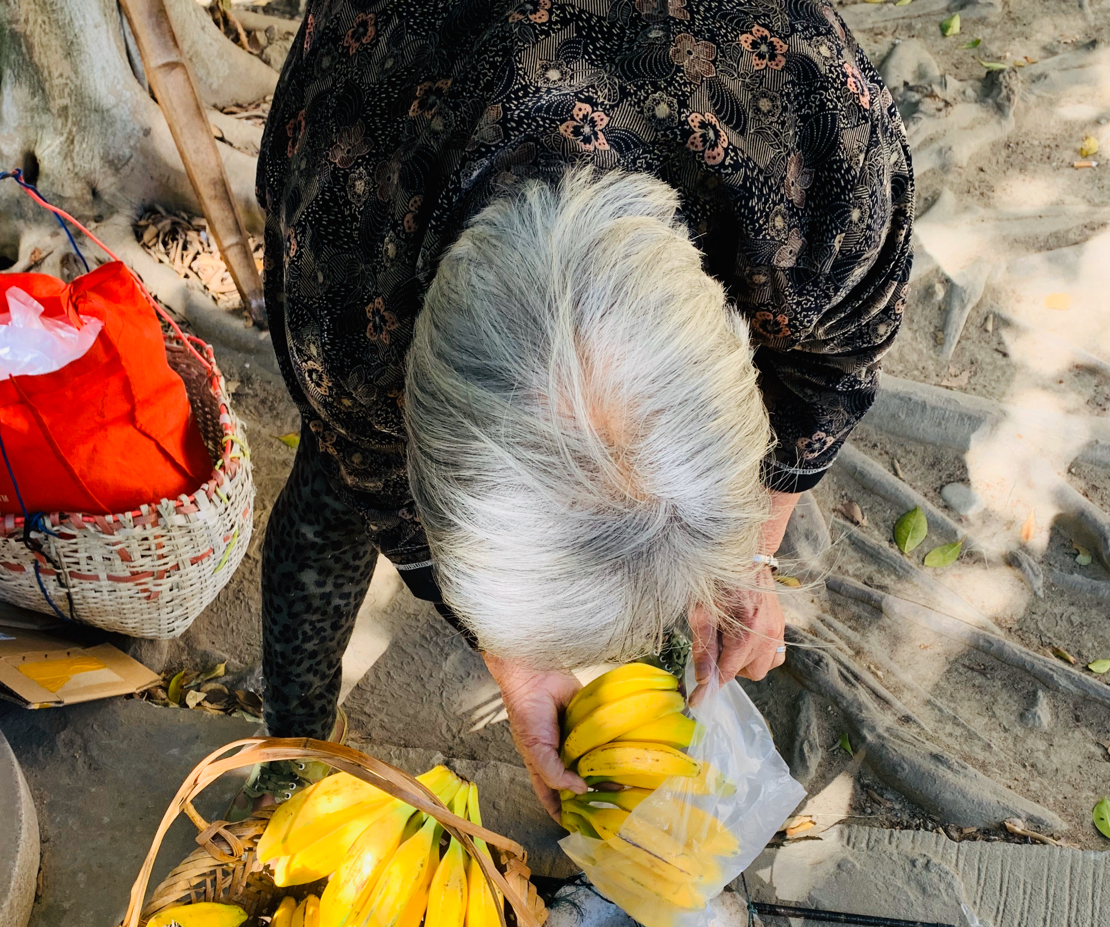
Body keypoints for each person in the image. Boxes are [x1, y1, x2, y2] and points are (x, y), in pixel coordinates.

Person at [252, 0, 912, 819]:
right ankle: (290, 754)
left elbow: (837, 352)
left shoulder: (819, 159)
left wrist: (753, 552)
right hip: (403, 88)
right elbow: (370, 467)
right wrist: (512, 658)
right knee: (332, 499)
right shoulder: (344, 295)